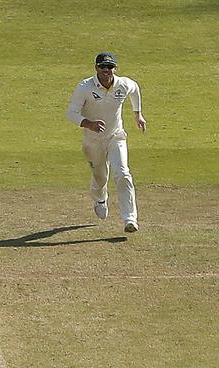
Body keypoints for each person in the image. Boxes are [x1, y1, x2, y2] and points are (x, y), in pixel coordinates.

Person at [65, 51, 146, 233]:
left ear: (115, 68)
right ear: (96, 68)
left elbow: (135, 89)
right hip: (92, 141)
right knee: (101, 177)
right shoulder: (85, 87)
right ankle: (100, 199)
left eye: (110, 67)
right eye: (102, 66)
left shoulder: (123, 84)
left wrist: (137, 114)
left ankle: (130, 218)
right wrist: (89, 124)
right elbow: (70, 113)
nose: (106, 70)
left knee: (123, 173)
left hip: (116, 136)